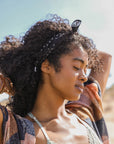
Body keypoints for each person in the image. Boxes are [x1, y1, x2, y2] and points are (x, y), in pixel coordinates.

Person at [0, 14, 112, 144]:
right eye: (76, 67)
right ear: (47, 66)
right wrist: (6, 82)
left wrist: (72, 41)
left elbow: (105, 58)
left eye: (85, 68)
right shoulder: (17, 130)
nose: (83, 76)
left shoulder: (83, 114)